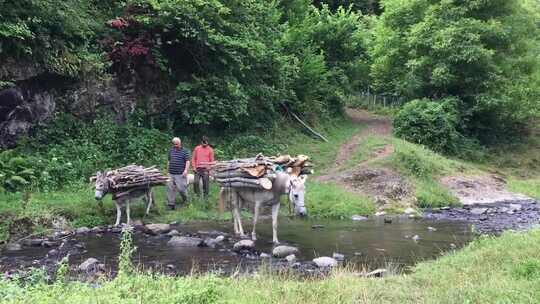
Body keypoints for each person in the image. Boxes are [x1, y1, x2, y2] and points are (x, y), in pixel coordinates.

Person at [167, 137, 190, 210]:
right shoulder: (171, 151)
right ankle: (171, 204)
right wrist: (167, 171)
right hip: (171, 173)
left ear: (180, 143)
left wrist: (186, 170)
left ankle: (186, 200)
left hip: (180, 173)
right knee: (170, 188)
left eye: (177, 144)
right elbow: (169, 161)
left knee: (181, 189)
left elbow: (187, 161)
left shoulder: (185, 151)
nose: (175, 145)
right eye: (174, 144)